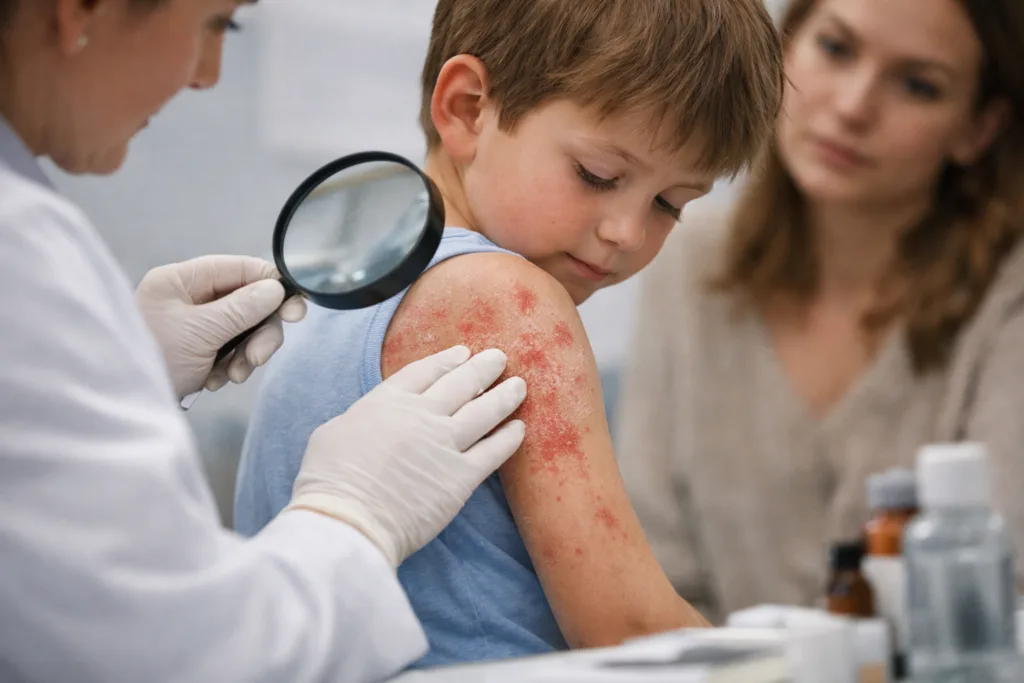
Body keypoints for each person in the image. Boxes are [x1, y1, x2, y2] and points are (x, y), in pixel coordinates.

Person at [234, 0, 784, 669]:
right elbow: (633, 628)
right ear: (468, 109)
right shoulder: (506, 298)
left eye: (671, 204)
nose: (628, 232)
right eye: (598, 176)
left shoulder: (342, 288)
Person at [0, 1, 531, 681]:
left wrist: (126, 365)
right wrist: (352, 515)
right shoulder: (21, 255)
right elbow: (183, 651)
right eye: (219, 23)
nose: (208, 76)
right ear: (78, 10)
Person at [616, 0, 1024, 624]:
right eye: (836, 49)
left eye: (918, 85)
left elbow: (999, 588)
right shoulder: (687, 259)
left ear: (979, 127)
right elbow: (656, 575)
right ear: (783, 49)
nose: (853, 106)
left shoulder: (1009, 299)